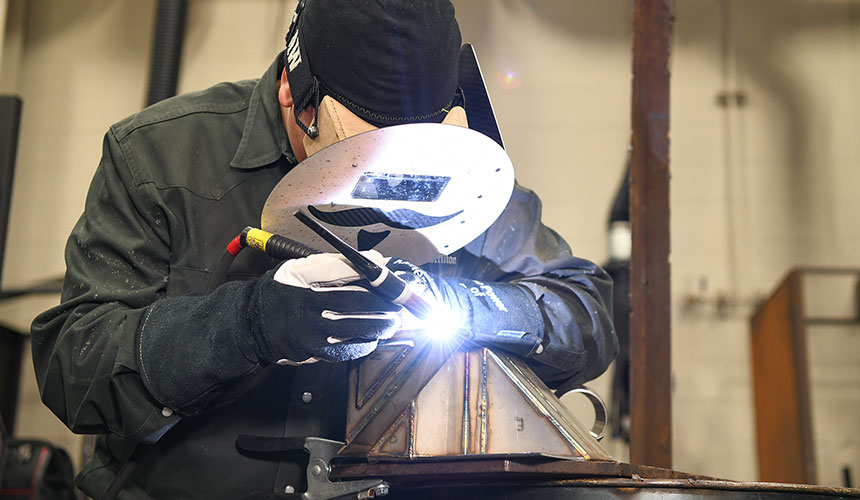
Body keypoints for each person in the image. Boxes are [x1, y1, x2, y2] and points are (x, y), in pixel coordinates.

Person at [30, 0, 618, 498]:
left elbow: (586, 312)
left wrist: (458, 304)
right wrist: (248, 324)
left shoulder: (462, 180)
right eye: (358, 161)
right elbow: (72, 368)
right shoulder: (159, 157)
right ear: (295, 93)